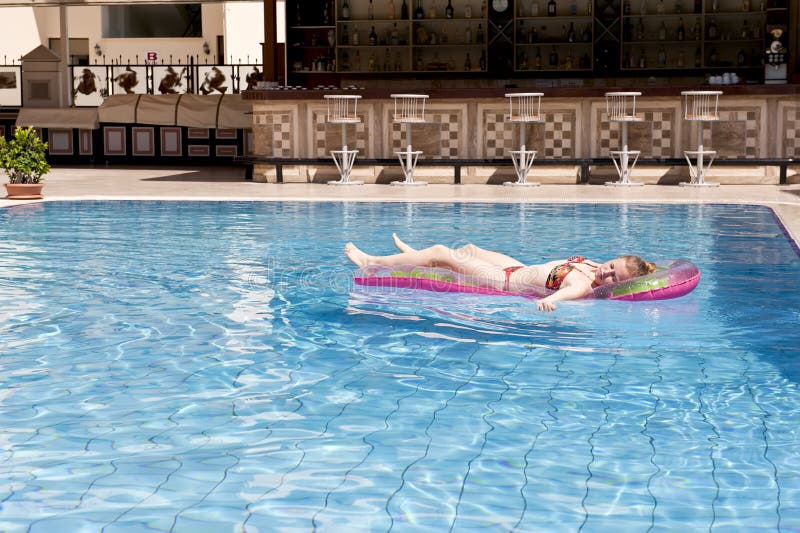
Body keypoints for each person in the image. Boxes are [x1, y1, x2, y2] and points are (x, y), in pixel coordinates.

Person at [345, 234, 657, 312]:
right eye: (613, 266)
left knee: (442, 252)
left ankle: (370, 260)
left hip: (503, 280)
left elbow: (566, 294)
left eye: (616, 277)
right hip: (515, 266)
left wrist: (553, 302)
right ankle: (414, 255)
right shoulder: (592, 267)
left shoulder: (583, 282)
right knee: (467, 248)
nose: (608, 273)